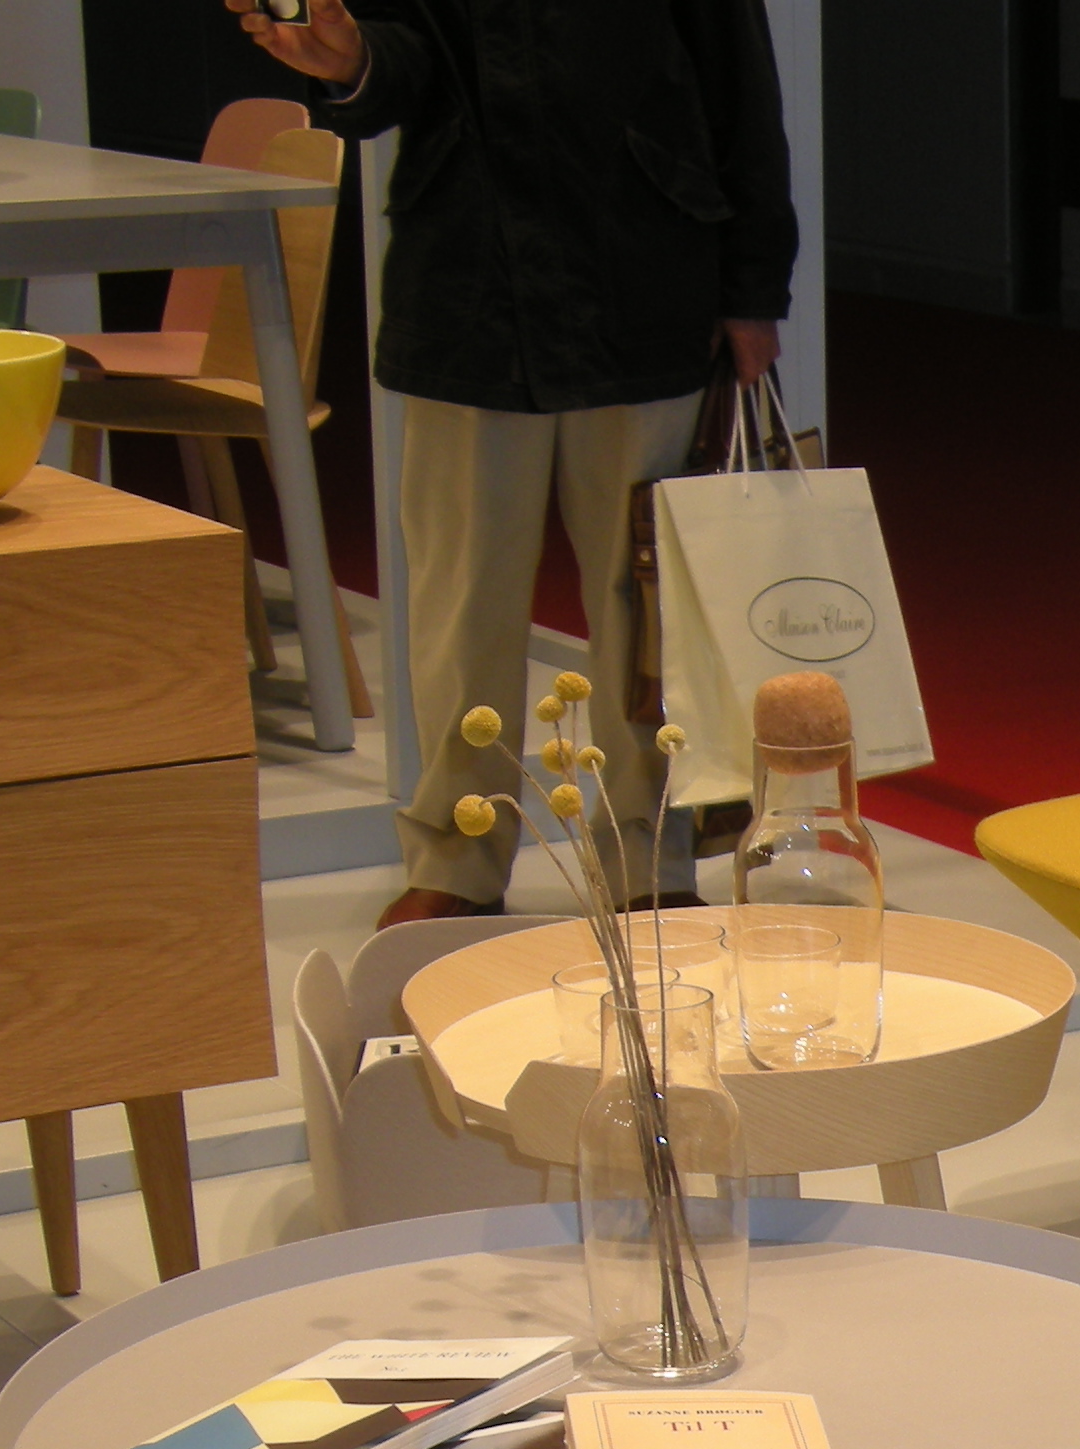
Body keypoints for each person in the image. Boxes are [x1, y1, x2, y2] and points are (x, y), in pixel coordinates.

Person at [224, 0, 795, 921]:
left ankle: (650, 859)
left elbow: (742, 91)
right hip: (467, 290)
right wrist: (350, 61)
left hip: (646, 275)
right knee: (462, 602)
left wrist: (753, 289)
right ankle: (456, 858)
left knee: (647, 604)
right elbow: (400, 71)